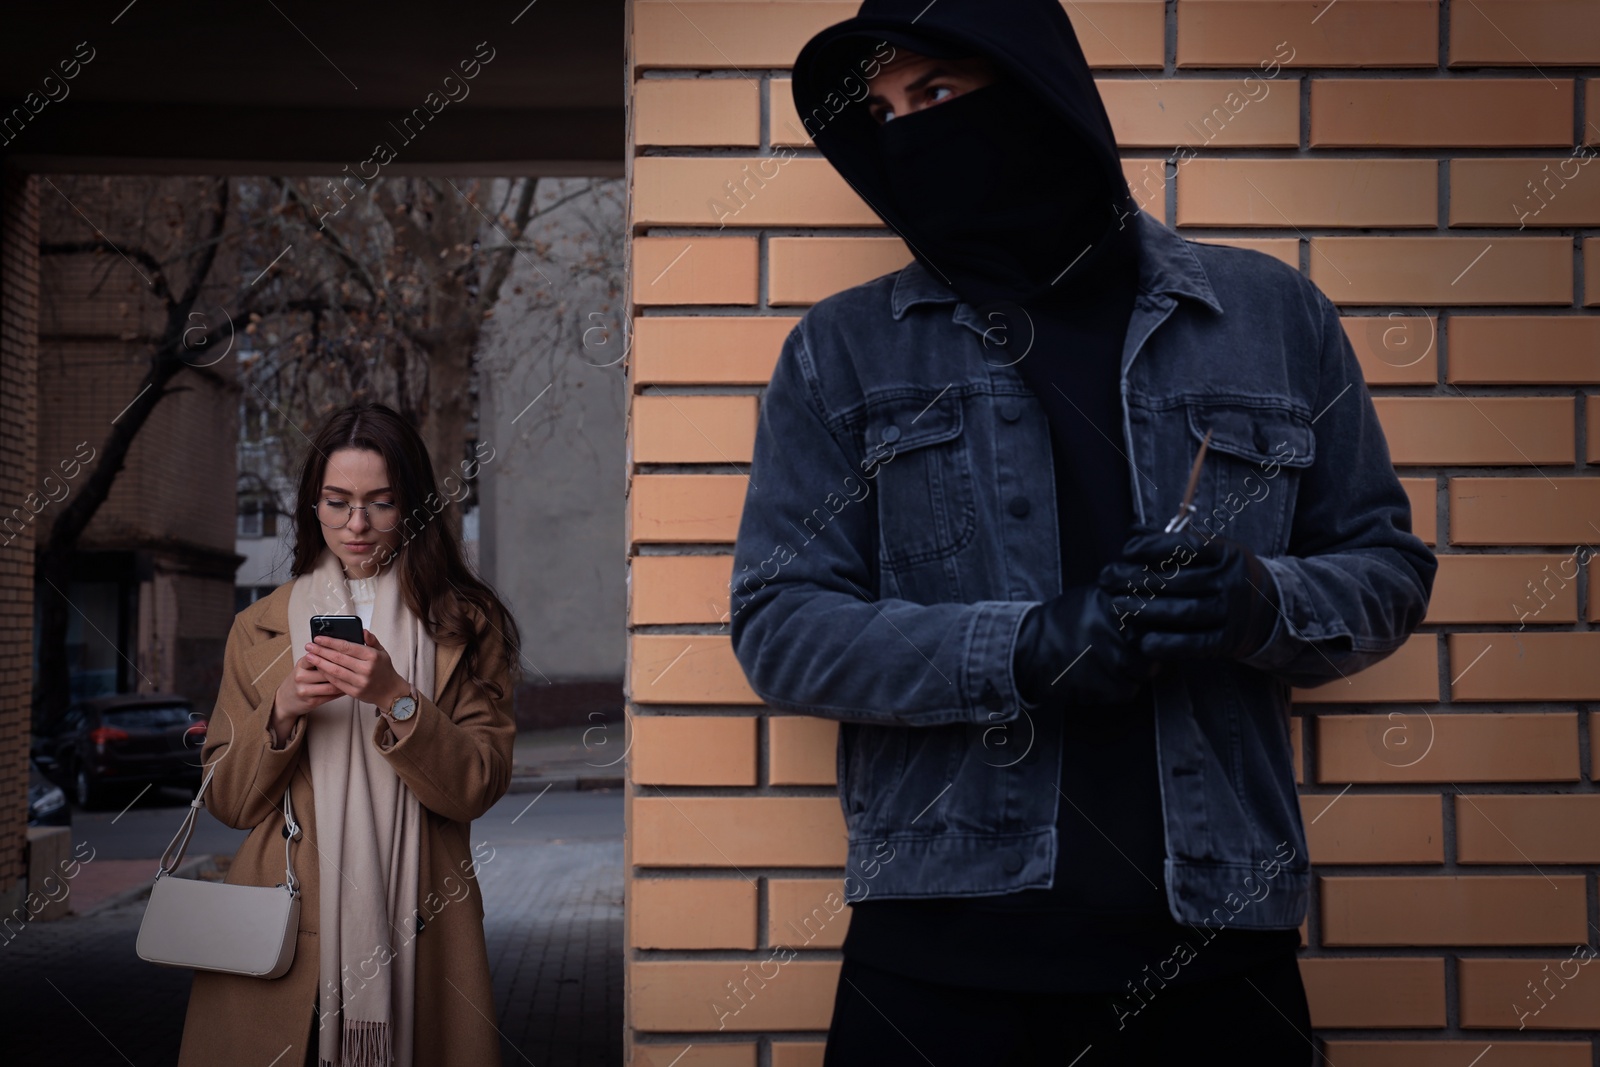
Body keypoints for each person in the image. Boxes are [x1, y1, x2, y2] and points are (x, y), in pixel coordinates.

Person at [728, 0, 1437, 1063]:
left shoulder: (1271, 315)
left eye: (934, 94)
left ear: (1035, 88)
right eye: (879, 114)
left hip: (1214, 953)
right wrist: (1021, 646)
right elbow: (778, 623)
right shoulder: (844, 351)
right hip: (937, 963)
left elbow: (1384, 567)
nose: (907, 133)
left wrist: (1258, 602)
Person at [177, 401, 519, 1067]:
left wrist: (394, 698)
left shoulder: (468, 623)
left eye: (380, 503)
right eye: (336, 502)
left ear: (412, 505)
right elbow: (228, 800)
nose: (355, 524)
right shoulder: (260, 627)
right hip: (282, 926)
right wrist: (280, 710)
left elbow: (480, 781)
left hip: (421, 923)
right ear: (312, 505)